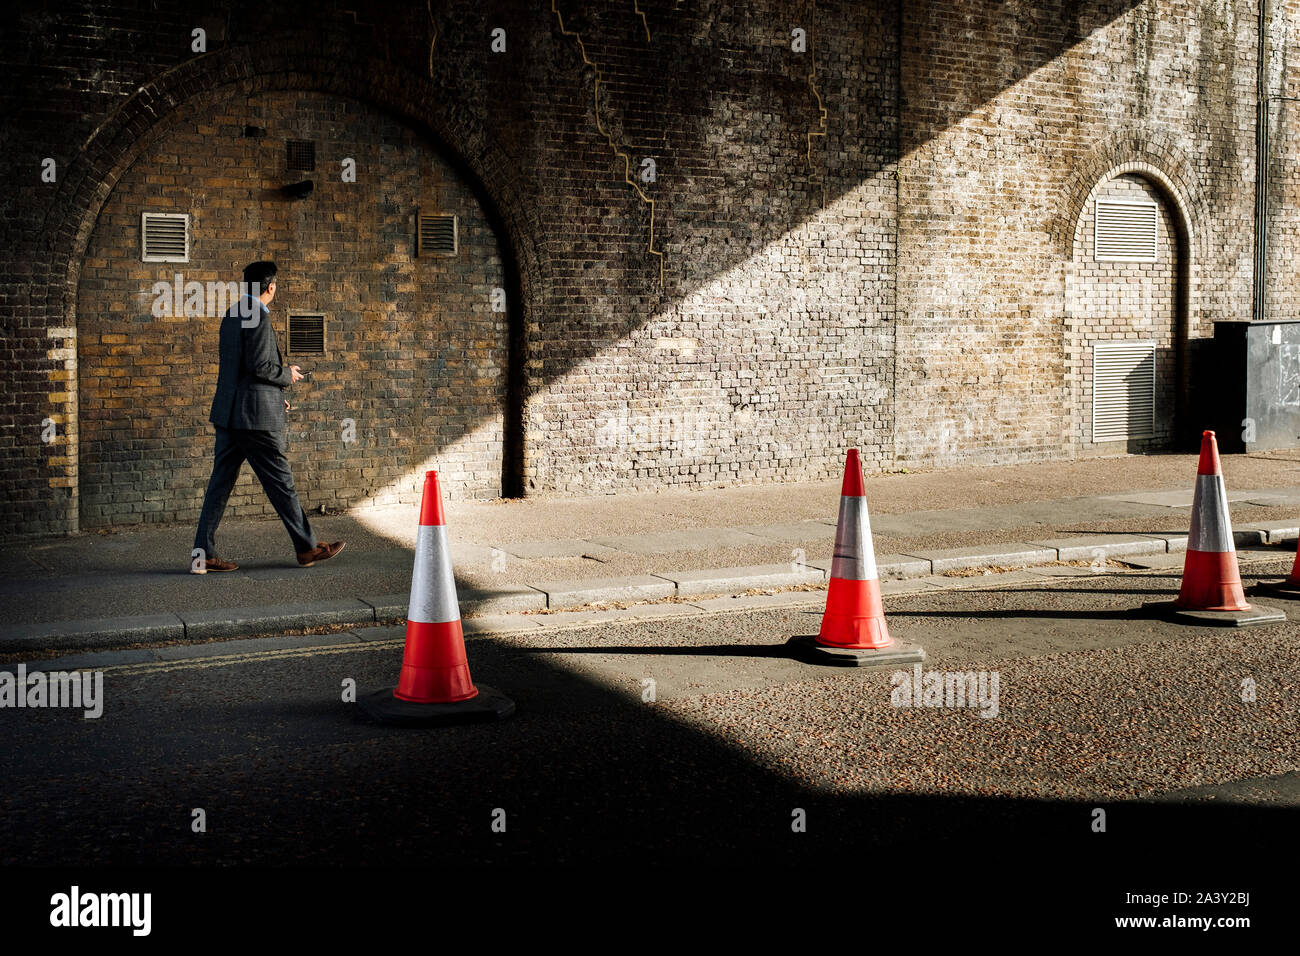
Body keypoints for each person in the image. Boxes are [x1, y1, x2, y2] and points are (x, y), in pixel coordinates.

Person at [191, 260, 344, 573]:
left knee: (218, 487)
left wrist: (275, 399)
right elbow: (260, 367)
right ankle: (307, 548)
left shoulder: (232, 314)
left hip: (230, 415)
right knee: (281, 482)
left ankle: (203, 555)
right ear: (270, 287)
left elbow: (240, 370)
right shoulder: (258, 316)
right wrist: (287, 375)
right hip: (254, 421)